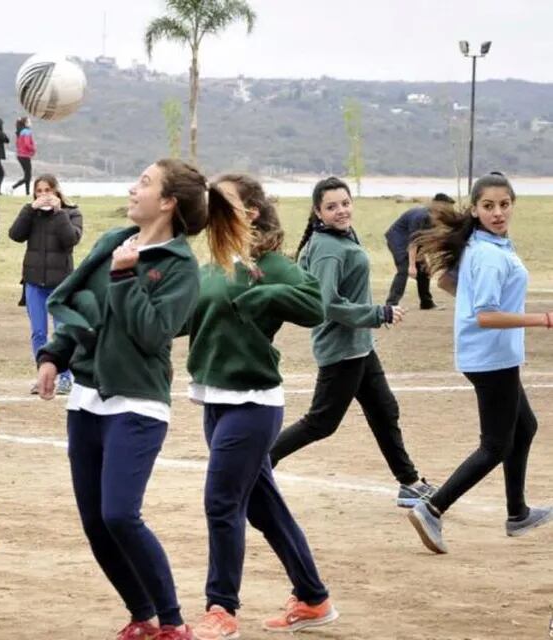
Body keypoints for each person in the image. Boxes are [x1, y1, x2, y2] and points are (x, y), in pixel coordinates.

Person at [36, 158, 213, 640]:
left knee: (120, 514)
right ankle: (142, 614)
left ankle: (173, 623)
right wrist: (54, 355)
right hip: (88, 401)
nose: (133, 189)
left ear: (169, 201)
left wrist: (125, 278)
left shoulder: (181, 268)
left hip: (137, 403)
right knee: (96, 522)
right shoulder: (112, 242)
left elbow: (154, 334)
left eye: (145, 182)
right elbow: (77, 306)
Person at [185, 175, 338, 639]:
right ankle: (313, 598)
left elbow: (315, 303)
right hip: (215, 400)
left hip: (253, 404)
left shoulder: (267, 263)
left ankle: (222, 609)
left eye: (222, 200)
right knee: (260, 506)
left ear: (250, 212)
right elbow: (185, 318)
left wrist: (267, 293)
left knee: (221, 500)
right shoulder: (213, 262)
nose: (210, 205)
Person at [268, 176, 436, 508]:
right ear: (318, 211)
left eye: (345, 203)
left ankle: (409, 483)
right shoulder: (328, 248)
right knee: (321, 423)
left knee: (384, 410)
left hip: (360, 346)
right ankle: (257, 464)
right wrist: (378, 313)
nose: (341, 211)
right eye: (331, 207)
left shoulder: (339, 237)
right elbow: (327, 304)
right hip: (342, 350)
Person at [407, 172, 552, 554]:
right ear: (475, 208)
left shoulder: (486, 243)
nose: (498, 212)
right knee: (494, 446)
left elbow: (446, 283)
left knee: (525, 427)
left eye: (504, 204)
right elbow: (486, 316)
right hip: (490, 359)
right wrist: (544, 319)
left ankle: (518, 513)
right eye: (488, 206)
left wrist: (469, 296)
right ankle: (432, 507)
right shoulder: (488, 253)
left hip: (493, 356)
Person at [8, 173, 83, 395]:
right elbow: (15, 235)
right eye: (39, 191)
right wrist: (29, 210)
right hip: (33, 283)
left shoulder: (71, 212)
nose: (44, 196)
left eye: (47, 191)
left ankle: (66, 378)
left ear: (56, 191)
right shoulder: (31, 214)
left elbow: (71, 240)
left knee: (62, 331)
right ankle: (43, 376)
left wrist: (59, 213)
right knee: (38, 333)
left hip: (61, 284)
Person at [384, 193, 456, 309]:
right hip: (399, 239)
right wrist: (412, 266)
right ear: (437, 206)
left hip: (413, 242)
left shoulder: (435, 219)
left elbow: (426, 241)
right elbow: (414, 241)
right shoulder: (421, 217)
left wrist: (428, 261)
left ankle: (426, 303)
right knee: (404, 269)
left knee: (424, 269)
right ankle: (391, 304)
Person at [11, 116, 36, 195]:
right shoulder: (27, 131)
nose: (30, 123)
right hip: (24, 156)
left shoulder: (20, 132)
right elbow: (27, 144)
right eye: (29, 121)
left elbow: (18, 144)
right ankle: (13, 187)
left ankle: (27, 193)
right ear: (25, 123)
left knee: (27, 175)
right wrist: (33, 149)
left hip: (20, 155)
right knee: (28, 176)